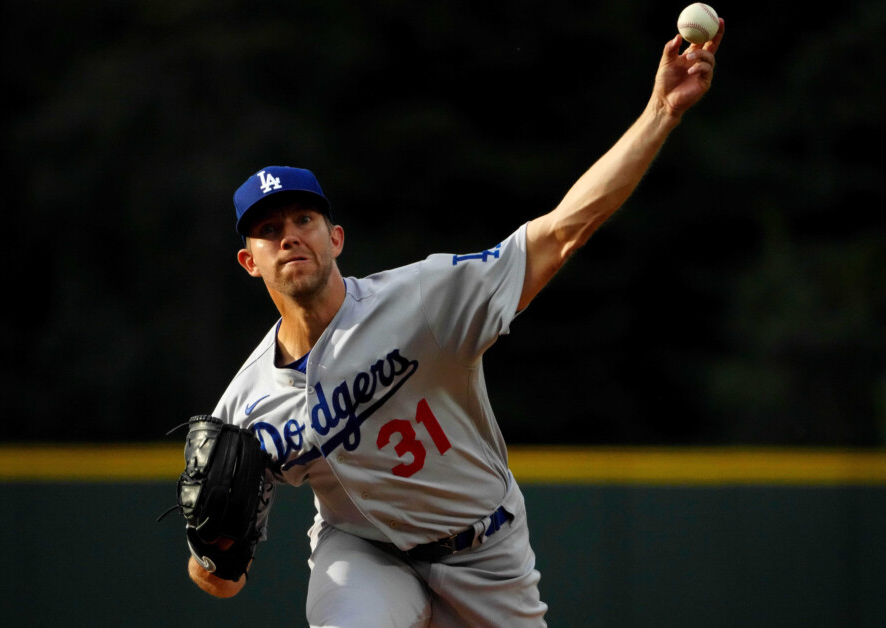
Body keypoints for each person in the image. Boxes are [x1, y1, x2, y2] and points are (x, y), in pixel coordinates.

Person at [187, 22, 724, 627]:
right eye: (268, 230)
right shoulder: (245, 406)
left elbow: (561, 232)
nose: (289, 235)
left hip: (486, 552)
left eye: (304, 218)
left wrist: (660, 111)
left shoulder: (423, 301)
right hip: (364, 554)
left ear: (335, 238)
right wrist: (214, 555)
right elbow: (219, 583)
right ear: (249, 262)